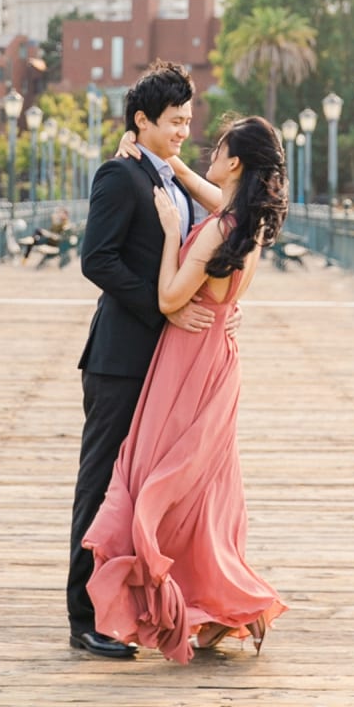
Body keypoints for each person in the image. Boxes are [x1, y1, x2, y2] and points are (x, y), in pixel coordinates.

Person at [82, 115, 289, 664]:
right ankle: (218, 605)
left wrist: (173, 230)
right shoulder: (248, 223)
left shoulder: (220, 228)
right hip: (220, 359)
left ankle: (158, 597)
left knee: (151, 473)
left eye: (217, 147)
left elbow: (173, 298)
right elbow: (206, 192)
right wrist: (155, 155)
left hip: (186, 363)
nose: (205, 153)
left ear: (236, 161)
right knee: (203, 489)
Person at [68, 61, 236, 659]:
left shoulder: (167, 177)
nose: (184, 131)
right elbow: (98, 260)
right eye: (173, 122)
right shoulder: (119, 175)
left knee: (147, 489)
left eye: (190, 120)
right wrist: (161, 309)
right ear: (141, 121)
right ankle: (83, 617)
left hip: (169, 365)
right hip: (120, 358)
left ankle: (136, 608)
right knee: (100, 484)